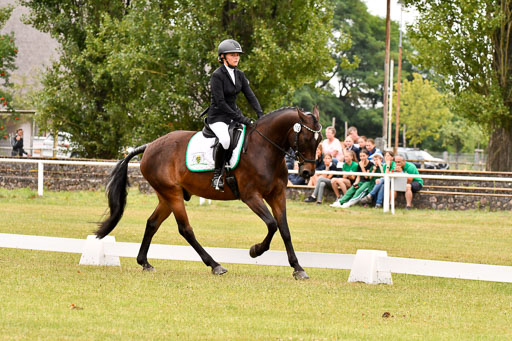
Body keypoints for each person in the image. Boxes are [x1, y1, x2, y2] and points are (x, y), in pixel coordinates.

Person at [206, 39, 264, 191]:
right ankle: (217, 175)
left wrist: (260, 113)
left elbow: (250, 95)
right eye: (232, 55)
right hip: (218, 116)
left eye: (237, 55)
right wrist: (242, 118)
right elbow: (220, 102)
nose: (236, 57)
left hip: (233, 114)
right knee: (225, 140)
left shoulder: (240, 75)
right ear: (223, 57)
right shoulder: (217, 76)